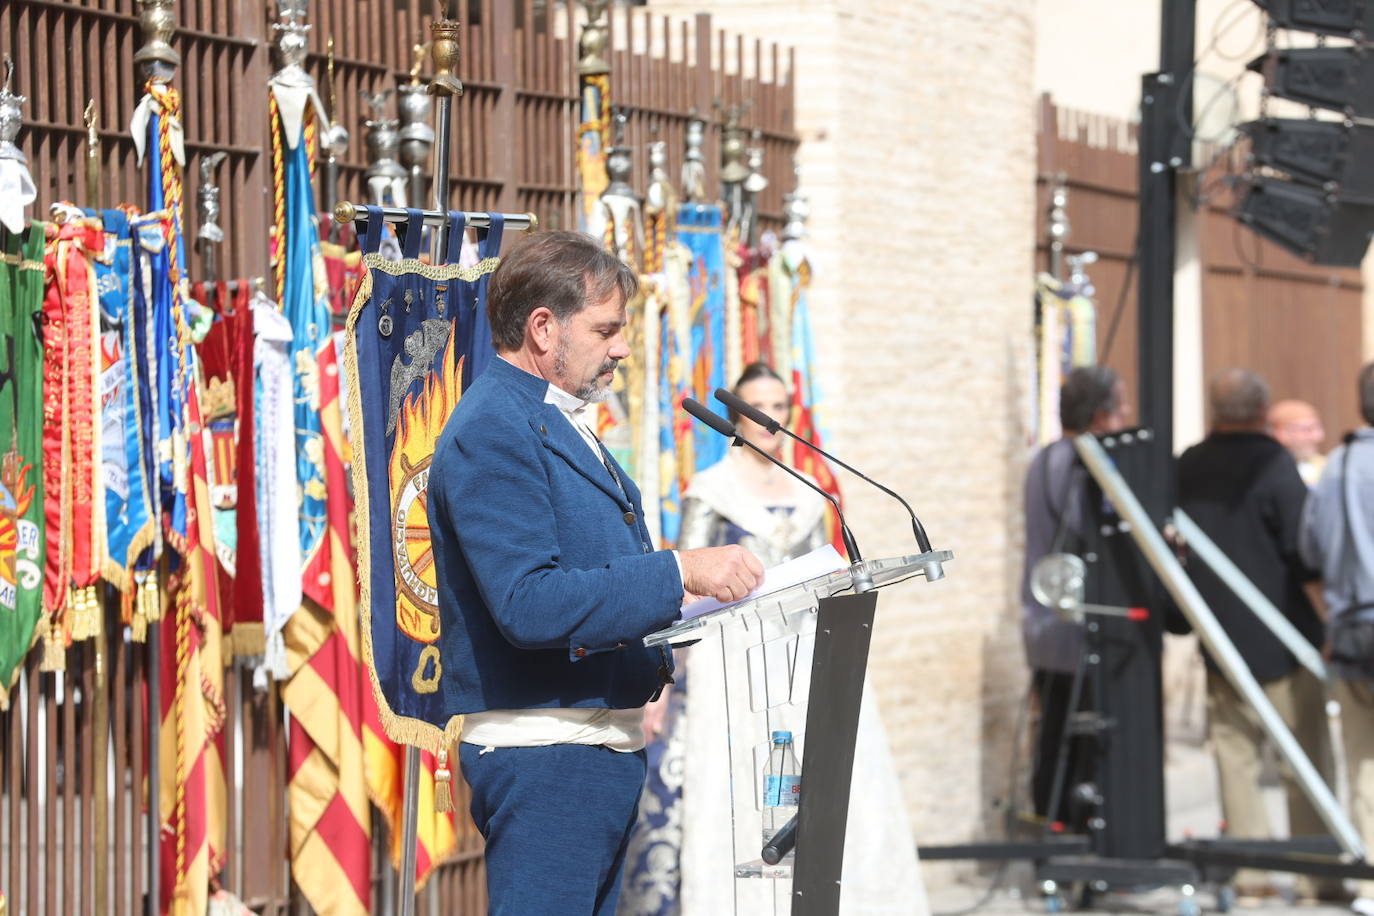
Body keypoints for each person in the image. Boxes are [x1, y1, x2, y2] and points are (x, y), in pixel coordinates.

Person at [429, 231, 764, 916]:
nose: (622, 347)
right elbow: (528, 602)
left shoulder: (551, 417)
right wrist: (679, 573)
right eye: (606, 329)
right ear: (543, 329)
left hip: (595, 750)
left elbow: (592, 570)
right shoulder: (493, 424)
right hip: (547, 757)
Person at [621, 362, 925, 915]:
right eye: (759, 406)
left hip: (806, 656)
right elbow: (683, 586)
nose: (770, 419)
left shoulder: (811, 492)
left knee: (828, 778)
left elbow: (827, 576)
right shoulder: (711, 491)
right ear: (737, 414)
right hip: (729, 663)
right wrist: (665, 680)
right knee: (735, 787)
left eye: (779, 407)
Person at [1177, 367, 1335, 901]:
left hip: (1221, 639)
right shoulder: (1273, 464)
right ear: (1262, 411)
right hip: (1284, 637)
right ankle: (1322, 878)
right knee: (1305, 761)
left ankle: (1255, 878)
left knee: (1236, 760)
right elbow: (1302, 550)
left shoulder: (1188, 465)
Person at [1021, 365, 1131, 822]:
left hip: (1049, 627)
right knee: (1075, 740)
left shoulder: (1045, 458)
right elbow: (1091, 533)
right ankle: (1070, 827)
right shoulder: (1076, 464)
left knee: (1056, 731)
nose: (1126, 418)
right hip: (1073, 627)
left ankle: (1058, 819)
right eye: (1120, 409)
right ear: (1101, 416)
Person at [1300, 362, 1374, 916]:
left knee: (1362, 758)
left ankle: (1372, 879)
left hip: (1350, 627)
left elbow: (1310, 549)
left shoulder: (1338, 466)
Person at [1270, 398, 1327, 488]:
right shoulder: (1268, 470)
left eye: (1317, 428)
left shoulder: (1327, 467)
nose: (1317, 437)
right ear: (1281, 432)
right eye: (1306, 430)